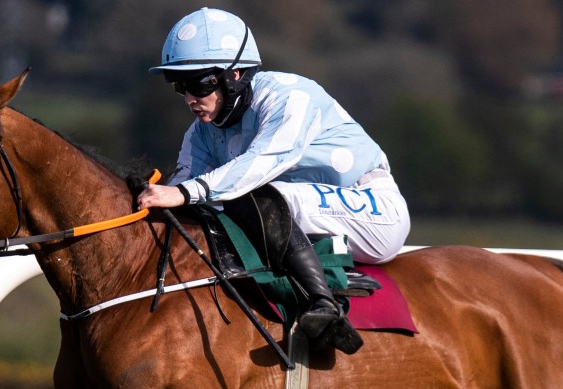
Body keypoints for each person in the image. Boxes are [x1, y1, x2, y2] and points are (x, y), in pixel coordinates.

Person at [135, 7, 410, 354]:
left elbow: (261, 163)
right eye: (179, 86)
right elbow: (180, 192)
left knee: (261, 196)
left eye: (198, 83)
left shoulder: (289, 96)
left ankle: (323, 305)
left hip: (375, 212)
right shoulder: (201, 133)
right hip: (302, 218)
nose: (189, 97)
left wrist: (187, 192)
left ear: (234, 74)